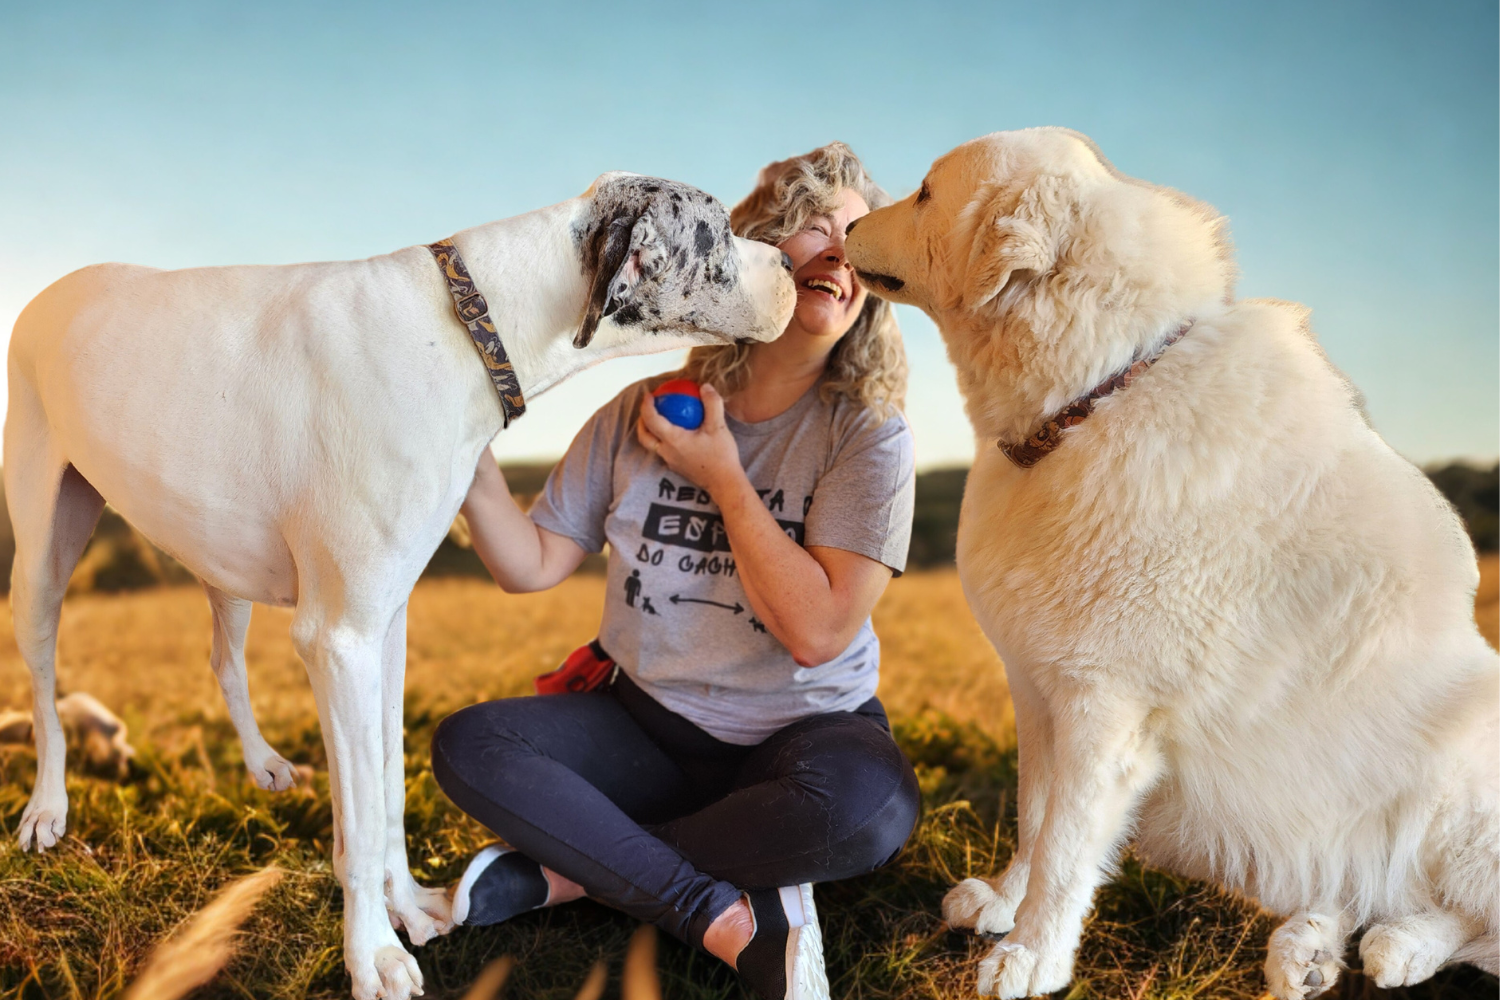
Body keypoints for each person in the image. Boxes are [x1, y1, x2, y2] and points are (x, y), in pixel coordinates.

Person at [431, 143, 920, 1000]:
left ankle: (572, 872)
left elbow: (818, 632)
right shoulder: (645, 411)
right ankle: (728, 912)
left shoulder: (868, 434)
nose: (841, 254)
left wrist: (725, 477)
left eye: (857, 240)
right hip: (647, 724)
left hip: (802, 737)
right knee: (473, 745)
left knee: (871, 809)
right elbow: (532, 563)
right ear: (760, 249)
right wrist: (470, 470)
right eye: (816, 228)